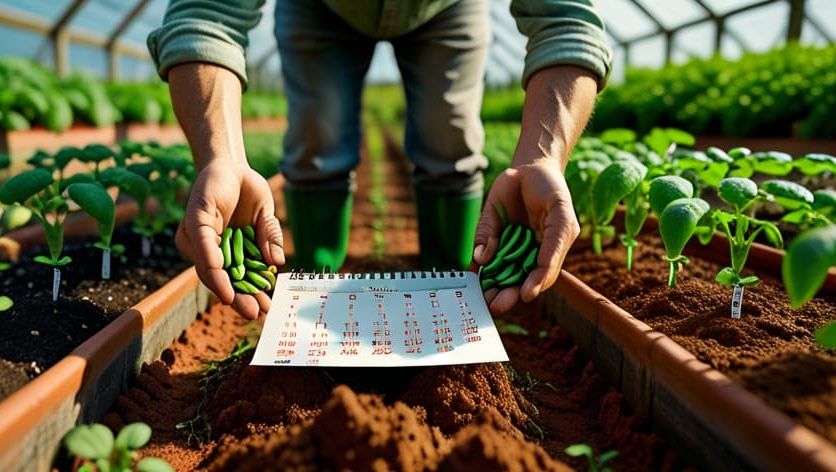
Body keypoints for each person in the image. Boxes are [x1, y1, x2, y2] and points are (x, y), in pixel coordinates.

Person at [148, 0, 613, 321]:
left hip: (445, 7)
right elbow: (206, 14)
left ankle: (452, 287)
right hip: (320, 8)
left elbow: (565, 19)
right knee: (318, 139)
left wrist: (542, 157)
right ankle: (317, 281)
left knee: (448, 138)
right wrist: (221, 158)